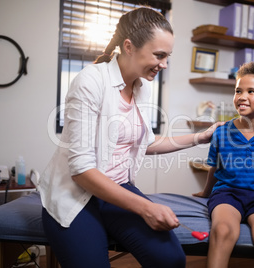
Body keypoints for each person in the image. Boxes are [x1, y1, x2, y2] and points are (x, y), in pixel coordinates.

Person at [39, 7, 222, 268]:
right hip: (75, 192)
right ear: (129, 46)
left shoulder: (142, 87)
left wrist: (199, 137)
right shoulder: (90, 81)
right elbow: (81, 170)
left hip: (116, 189)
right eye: (159, 55)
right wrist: (146, 207)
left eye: (167, 56)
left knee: (170, 259)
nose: (164, 64)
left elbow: (145, 143)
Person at [193, 62, 254, 268]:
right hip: (227, 193)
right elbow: (214, 168)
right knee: (222, 231)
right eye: (238, 90)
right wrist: (205, 192)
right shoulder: (221, 132)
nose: (241, 96)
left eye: (250, 91)